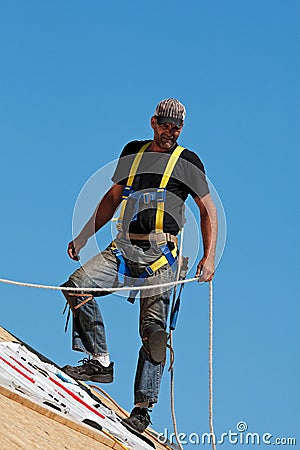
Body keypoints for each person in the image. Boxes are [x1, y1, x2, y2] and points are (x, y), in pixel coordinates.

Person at [61, 98, 218, 433]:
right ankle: (99, 362)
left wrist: (209, 256)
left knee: (154, 331)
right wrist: (85, 235)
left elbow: (208, 210)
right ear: (153, 122)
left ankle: (142, 408)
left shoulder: (187, 161)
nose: (170, 132)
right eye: (165, 125)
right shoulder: (134, 151)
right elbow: (112, 197)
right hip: (124, 249)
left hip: (163, 258)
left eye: (176, 127)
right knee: (77, 287)